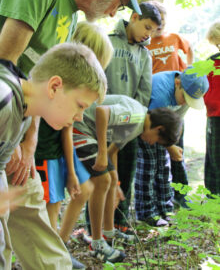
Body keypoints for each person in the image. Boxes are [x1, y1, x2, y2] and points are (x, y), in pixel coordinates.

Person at [0, 0, 140, 269]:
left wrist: (29, 142)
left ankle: (55, 264)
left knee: (28, 199)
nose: (112, 14)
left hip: (16, 127)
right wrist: (11, 144)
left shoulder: (70, 20)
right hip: (3, 119)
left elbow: (40, 82)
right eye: (118, 5)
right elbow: (4, 67)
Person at [0, 42, 107, 270]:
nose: (79, 117)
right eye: (79, 105)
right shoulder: (4, 100)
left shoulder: (24, 113)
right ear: (54, 87)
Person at [73, 94, 182, 263]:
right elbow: (102, 112)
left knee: (111, 181)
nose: (153, 144)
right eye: (158, 141)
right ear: (159, 128)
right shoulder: (136, 115)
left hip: (90, 133)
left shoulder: (136, 128)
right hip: (79, 127)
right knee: (103, 181)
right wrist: (101, 153)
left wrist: (115, 180)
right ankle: (97, 243)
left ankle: (109, 233)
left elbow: (113, 151)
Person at [35, 21, 113, 249]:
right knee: (50, 209)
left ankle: (59, 246)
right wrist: (70, 171)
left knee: (76, 193)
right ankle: (51, 253)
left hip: (57, 149)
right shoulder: (67, 82)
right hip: (48, 151)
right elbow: (65, 129)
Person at [104, 1, 161, 233]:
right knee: (103, 176)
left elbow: (144, 91)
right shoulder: (107, 41)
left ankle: (120, 222)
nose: (148, 34)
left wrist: (133, 121)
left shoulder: (145, 55)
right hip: (103, 121)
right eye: (147, 27)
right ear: (135, 17)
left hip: (129, 127)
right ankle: (96, 225)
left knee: (125, 175)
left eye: (153, 31)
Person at [135, 67, 209, 226]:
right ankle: (146, 212)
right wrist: (171, 146)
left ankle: (165, 208)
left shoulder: (186, 93)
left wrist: (173, 144)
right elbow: (152, 127)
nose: (185, 102)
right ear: (177, 83)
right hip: (146, 127)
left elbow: (177, 121)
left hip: (163, 129)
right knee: (149, 167)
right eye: (184, 98)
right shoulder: (161, 93)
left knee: (164, 167)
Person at [147, 0, 194, 207]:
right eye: (158, 22)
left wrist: (188, 70)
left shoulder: (174, 38)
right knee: (160, 149)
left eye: (164, 21)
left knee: (177, 147)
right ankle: (159, 195)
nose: (161, 26)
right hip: (158, 96)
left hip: (177, 94)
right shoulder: (145, 42)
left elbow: (189, 48)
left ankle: (181, 193)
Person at [204, 21, 220, 195]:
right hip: (214, 114)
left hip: (215, 113)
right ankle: (214, 194)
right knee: (214, 156)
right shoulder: (211, 62)